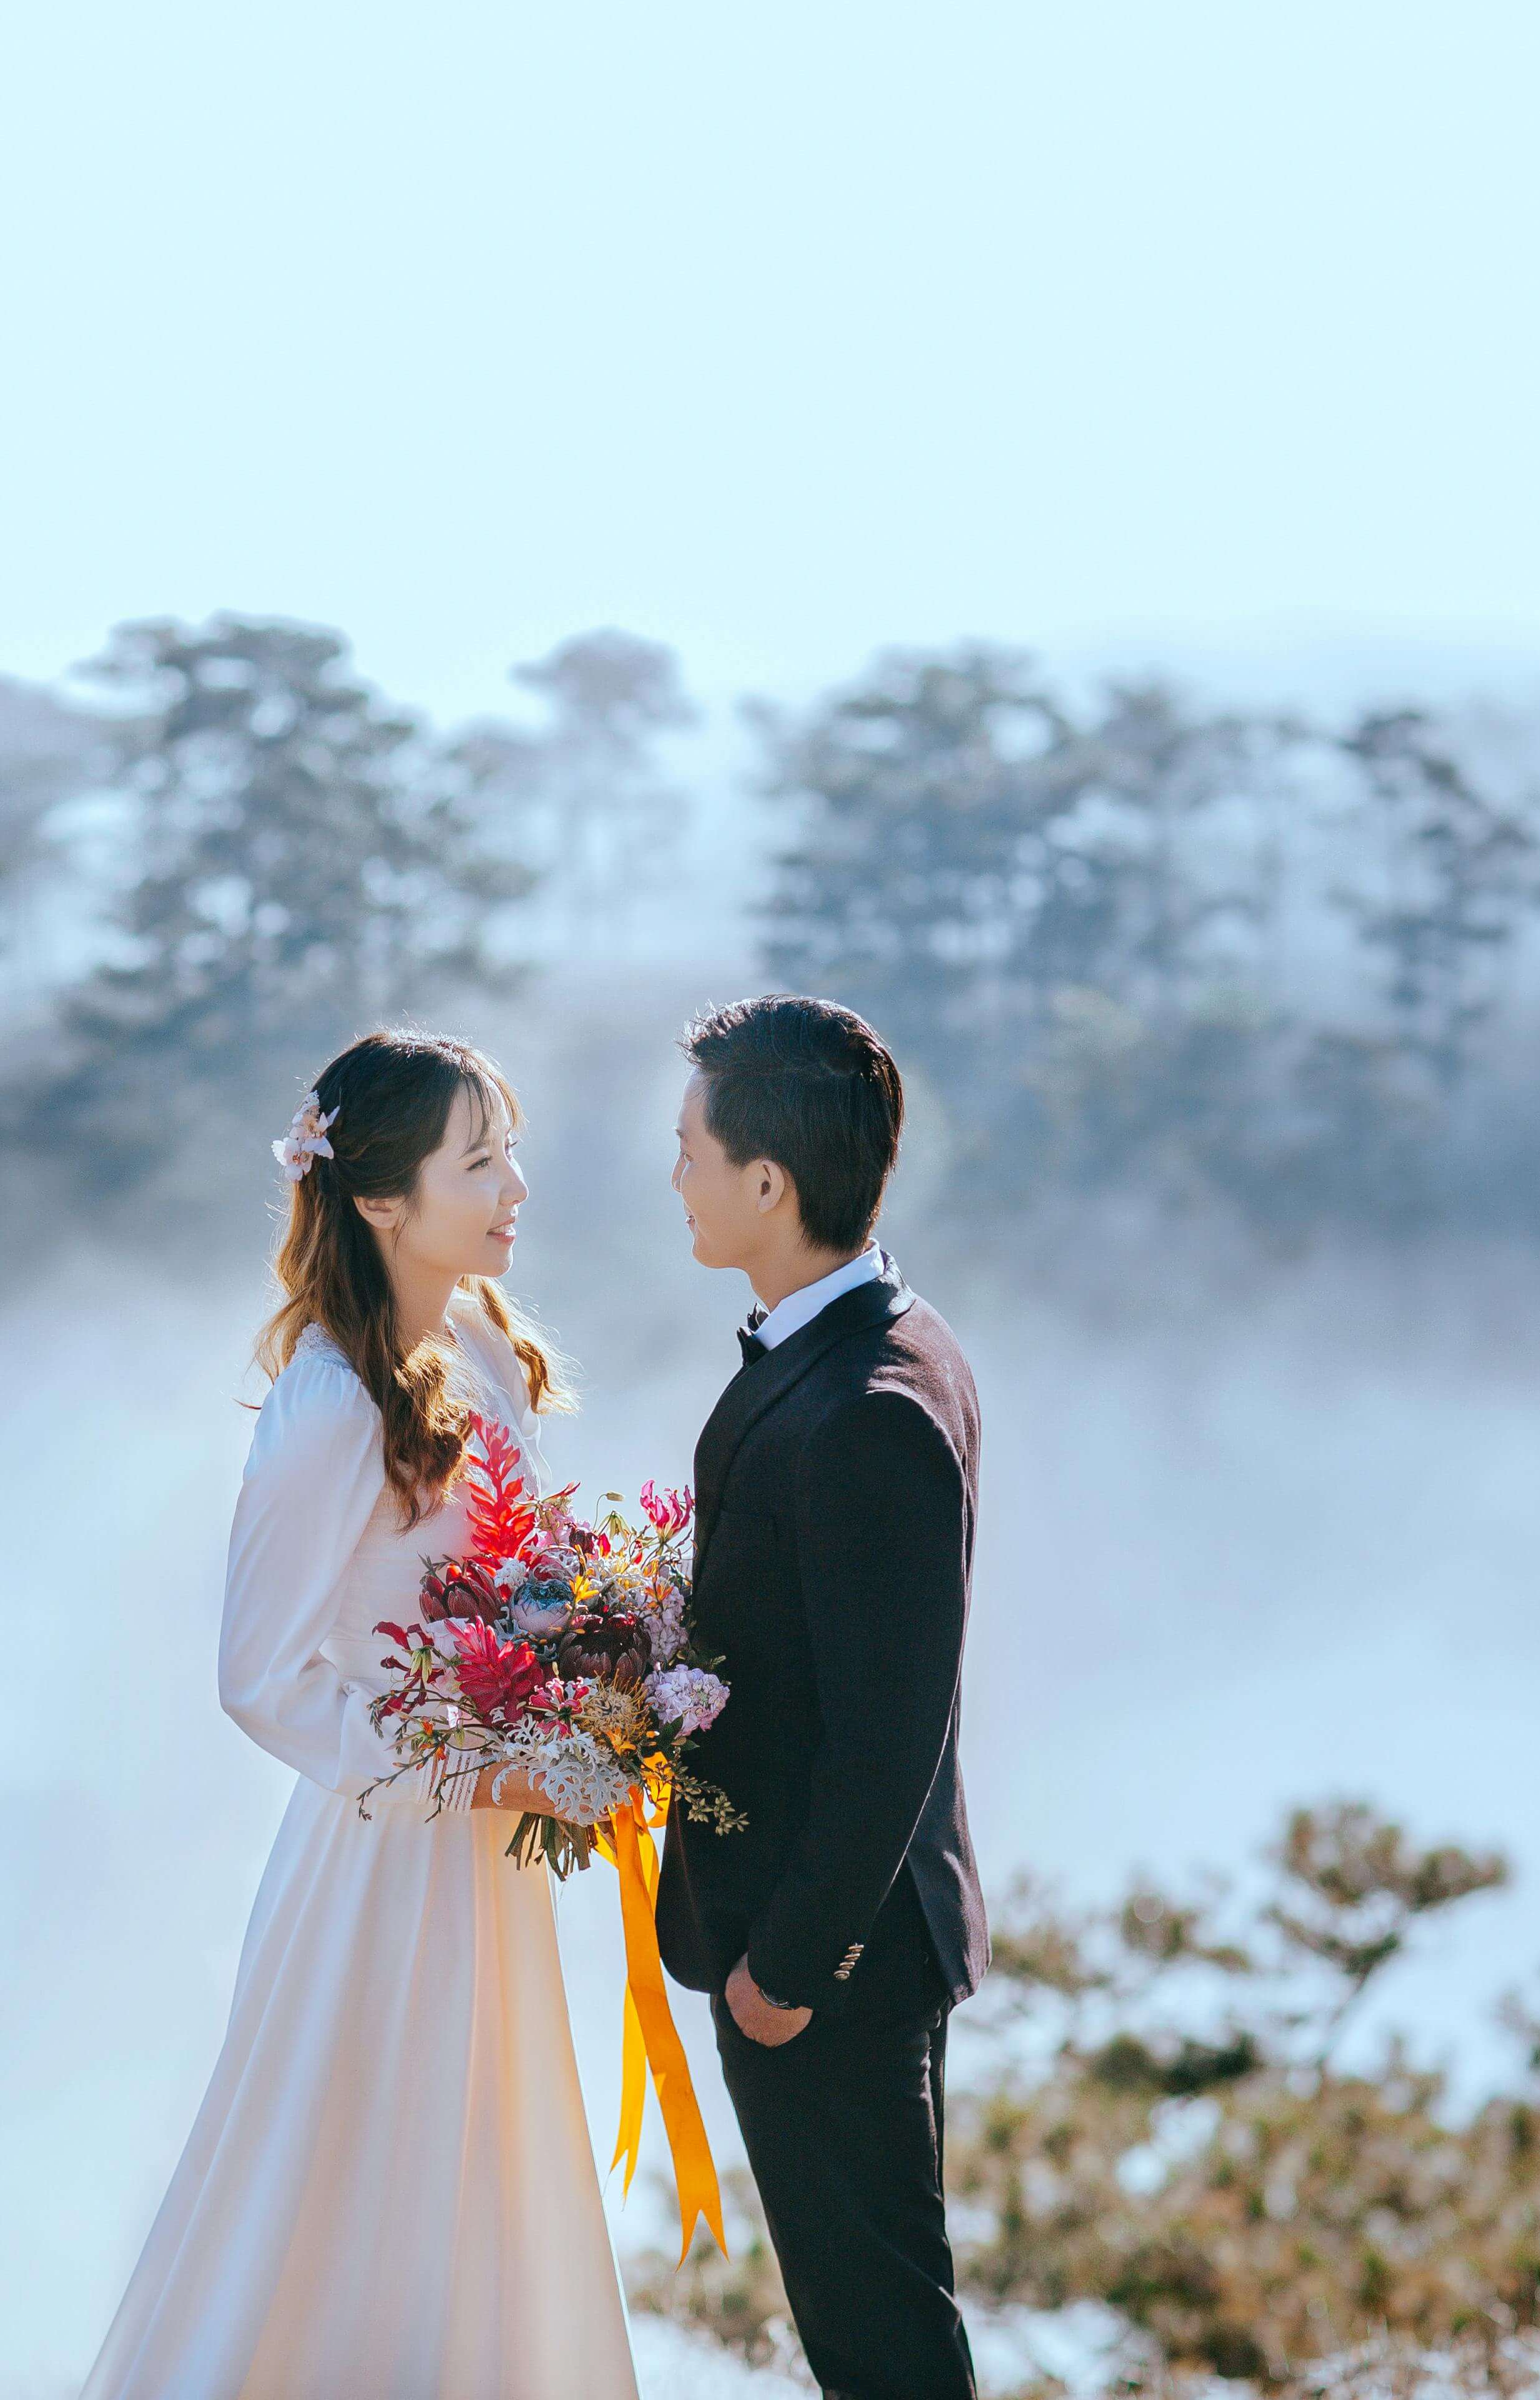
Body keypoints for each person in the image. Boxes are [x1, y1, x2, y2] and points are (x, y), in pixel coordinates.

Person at [79, 1030, 639, 2399]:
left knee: (486, 2173)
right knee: (355, 2176)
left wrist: (599, 1654)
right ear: (381, 1197)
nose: (516, 1185)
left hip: (490, 1861)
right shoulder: (331, 1400)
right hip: (384, 1856)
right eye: (481, 1160)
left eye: (512, 1151)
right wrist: (471, 1775)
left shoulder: (486, 1355)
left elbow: (513, 1588)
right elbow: (261, 1673)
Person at [654, 994, 986, 2400]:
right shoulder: (864, 1341)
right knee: (868, 2329)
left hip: (830, 1964)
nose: (676, 1175)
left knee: (882, 2343)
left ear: (768, 1181)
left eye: (690, 1148)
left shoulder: (870, 1408)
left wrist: (787, 1974)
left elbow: (888, 1735)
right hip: (818, 1947)